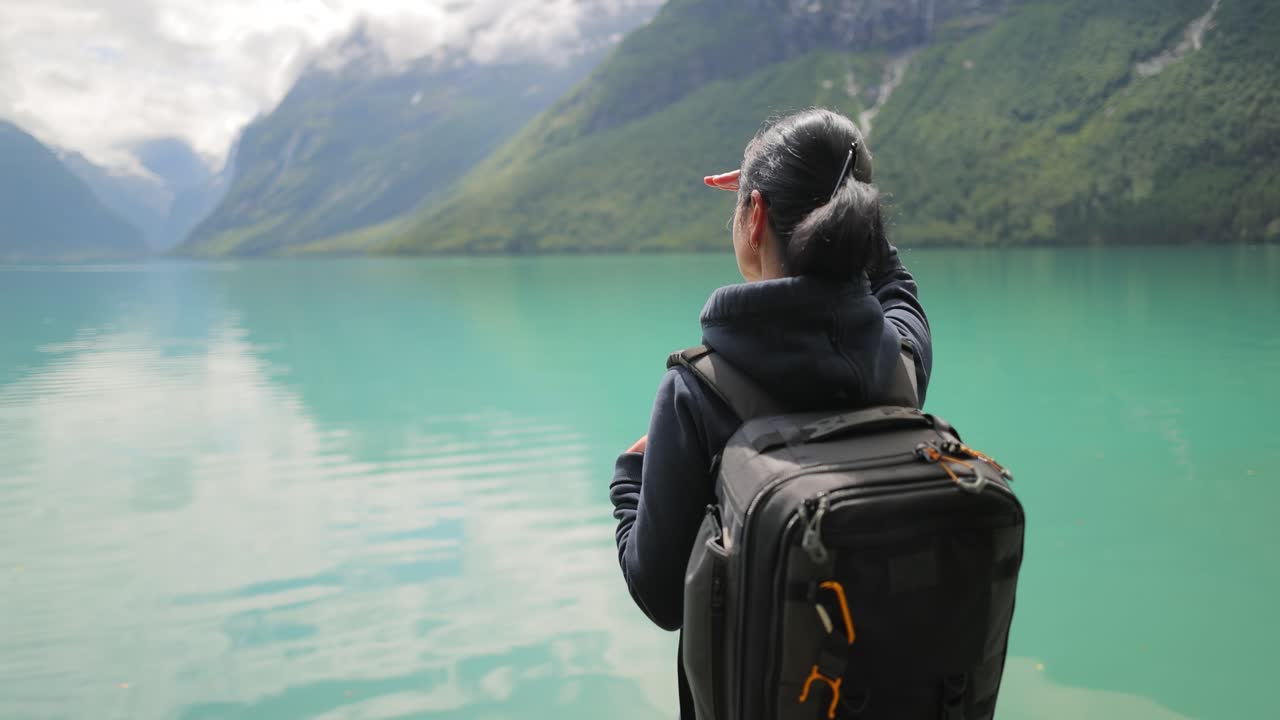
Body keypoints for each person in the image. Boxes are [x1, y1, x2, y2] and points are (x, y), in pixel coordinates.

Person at [607, 107, 933, 718]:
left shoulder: (696, 392)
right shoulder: (899, 367)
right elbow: (897, 288)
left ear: (752, 217)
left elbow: (659, 597)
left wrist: (629, 479)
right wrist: (840, 178)